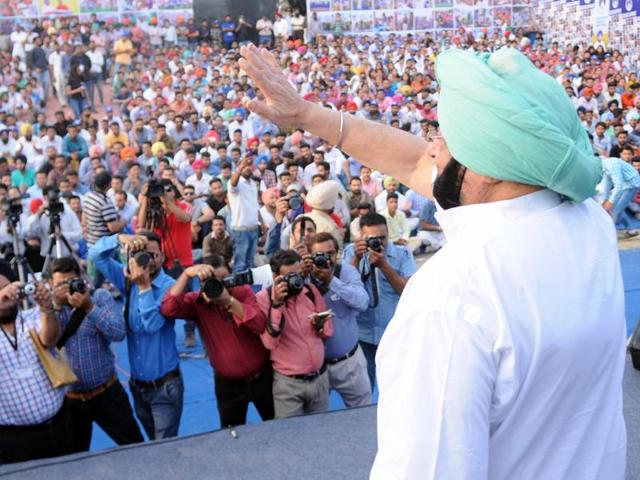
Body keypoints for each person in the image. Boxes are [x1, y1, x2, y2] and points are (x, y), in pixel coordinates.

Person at [237, 43, 626, 479]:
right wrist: (307, 114)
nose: (433, 148)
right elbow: (416, 159)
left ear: (492, 166)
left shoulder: (454, 295)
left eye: (446, 137)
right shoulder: (590, 221)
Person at [89, 232, 183, 440]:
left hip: (165, 388)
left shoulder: (170, 287)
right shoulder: (128, 280)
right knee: (152, 444)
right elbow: (96, 256)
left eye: (152, 255)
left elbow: (152, 325)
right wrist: (121, 238)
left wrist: (144, 287)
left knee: (165, 448)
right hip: (138, 387)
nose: (146, 261)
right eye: (142, 254)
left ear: (162, 256)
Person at [161, 257, 275, 427]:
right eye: (214, 282)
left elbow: (259, 325)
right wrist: (186, 274)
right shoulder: (197, 302)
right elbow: (168, 308)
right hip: (228, 386)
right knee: (231, 436)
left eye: (225, 280)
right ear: (201, 284)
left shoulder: (242, 291)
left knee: (279, 427)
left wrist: (229, 301)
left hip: (262, 378)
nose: (221, 286)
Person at [48, 257, 143, 452]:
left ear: (80, 279)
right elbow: (47, 344)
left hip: (105, 391)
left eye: (70, 282)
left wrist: (89, 307)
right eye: (60, 285)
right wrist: (55, 308)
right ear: (50, 284)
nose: (66, 289)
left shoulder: (99, 297)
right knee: (73, 461)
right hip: (69, 400)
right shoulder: (47, 311)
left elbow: (118, 333)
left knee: (135, 449)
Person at [0, 269, 76, 463]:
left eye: (7, 288)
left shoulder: (33, 316)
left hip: (61, 424)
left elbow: (49, 339)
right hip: (14, 440)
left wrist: (46, 307)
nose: (6, 294)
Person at [256, 250, 333, 419]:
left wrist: (320, 327)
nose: (296, 281)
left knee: (321, 434)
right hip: (288, 385)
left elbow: (328, 331)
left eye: (299, 275)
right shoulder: (263, 299)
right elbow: (270, 343)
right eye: (290, 276)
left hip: (319, 379)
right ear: (275, 275)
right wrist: (277, 304)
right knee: (289, 438)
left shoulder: (310, 290)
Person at [342, 213, 415, 388]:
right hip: (363, 335)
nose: (379, 243)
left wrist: (384, 265)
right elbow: (345, 292)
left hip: (393, 334)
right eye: (372, 238)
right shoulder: (351, 252)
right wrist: (357, 259)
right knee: (365, 390)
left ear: (389, 233)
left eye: (383, 237)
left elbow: (408, 291)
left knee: (398, 389)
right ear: (361, 237)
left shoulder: (402, 254)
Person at [309, 232, 371, 407]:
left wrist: (331, 281)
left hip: (349, 362)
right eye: (319, 255)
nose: (325, 260)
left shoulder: (347, 271)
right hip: (316, 368)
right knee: (317, 422)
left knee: (362, 415)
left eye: (330, 254)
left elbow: (363, 302)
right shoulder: (304, 277)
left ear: (337, 253)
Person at [228, 155, 259, 272]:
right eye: (245, 166)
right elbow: (233, 184)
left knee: (250, 262)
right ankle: (238, 290)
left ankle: (247, 289)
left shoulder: (253, 184)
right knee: (240, 264)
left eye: (250, 166)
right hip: (241, 230)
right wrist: (240, 168)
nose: (248, 168)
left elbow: (255, 207)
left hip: (254, 228)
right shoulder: (236, 182)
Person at [601, 155, 640, 235]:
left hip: (631, 186)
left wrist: (610, 202)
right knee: (616, 209)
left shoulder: (611, 164)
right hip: (625, 186)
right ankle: (631, 229)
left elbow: (618, 185)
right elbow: (608, 183)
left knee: (615, 211)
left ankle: (610, 234)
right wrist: (605, 199)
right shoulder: (604, 165)